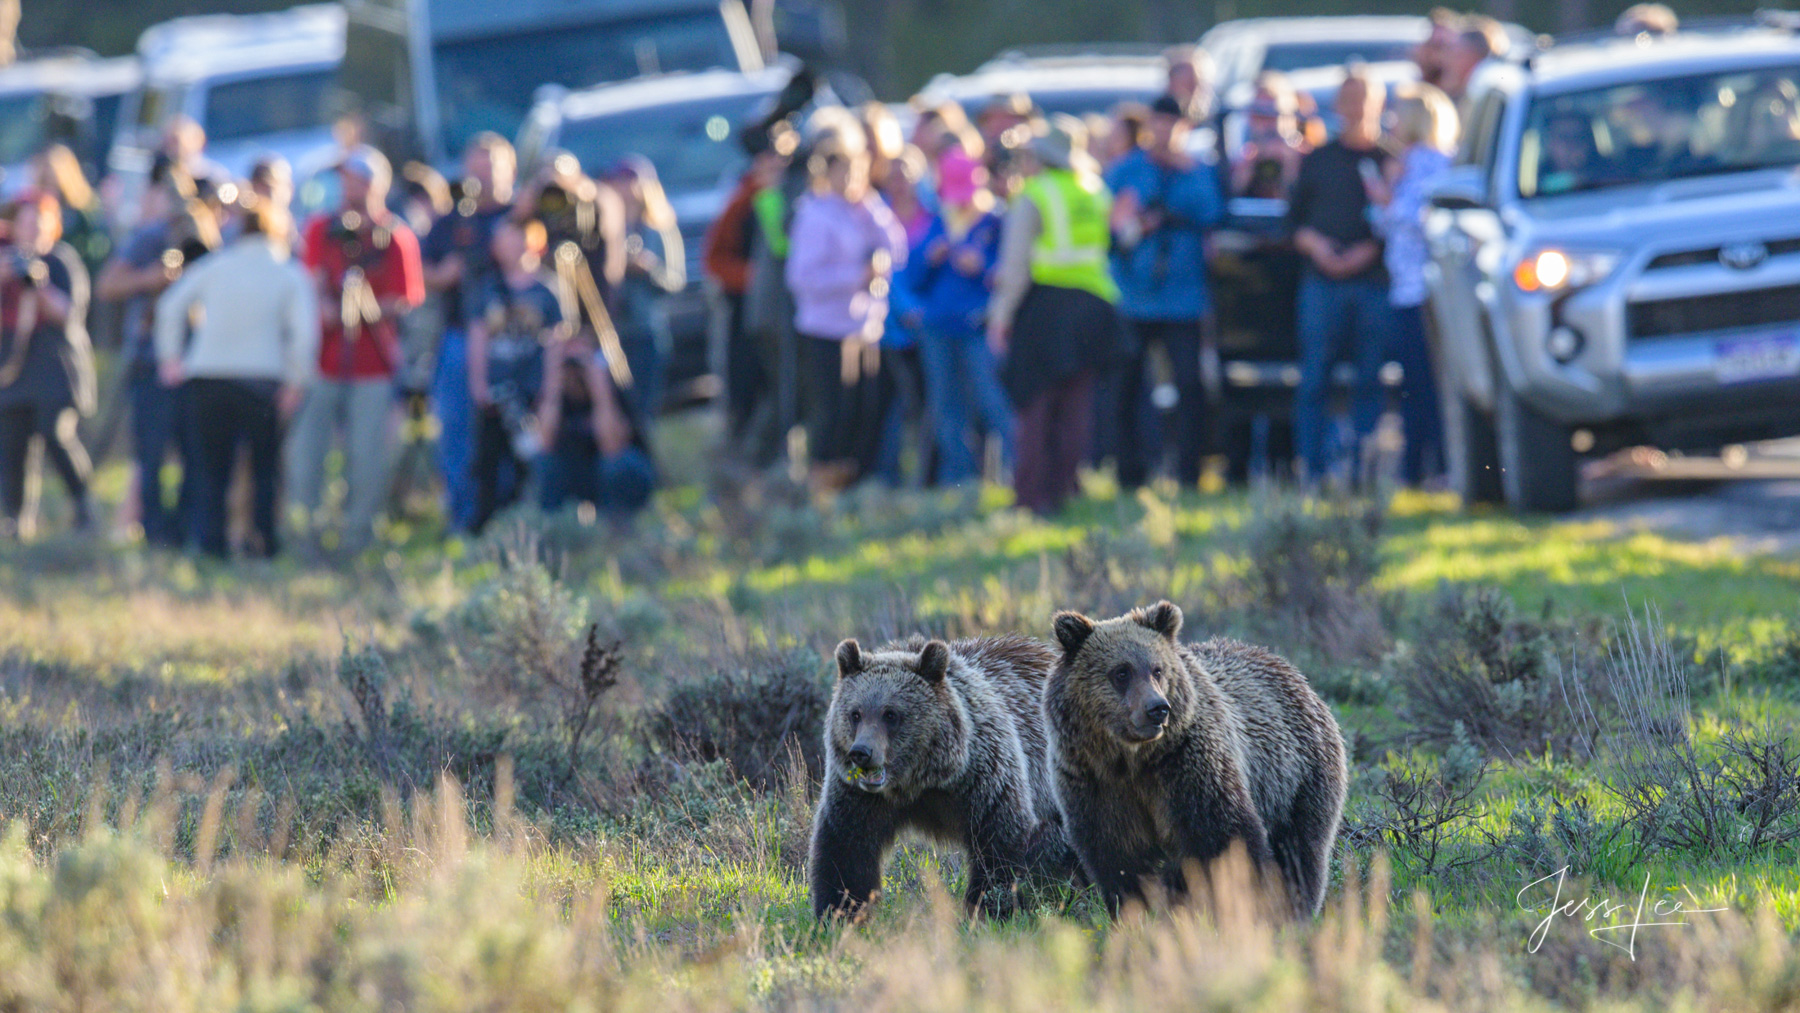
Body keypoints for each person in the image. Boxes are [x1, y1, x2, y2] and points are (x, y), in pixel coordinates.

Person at [154, 199, 317, 558]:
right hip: (263, 382)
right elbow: (304, 335)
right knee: (265, 469)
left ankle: (211, 544)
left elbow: (169, 307)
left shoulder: (215, 266)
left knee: (212, 469)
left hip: (208, 378)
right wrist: (296, 380)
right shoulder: (290, 273)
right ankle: (263, 544)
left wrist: (171, 360)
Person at [291, 146, 424, 555]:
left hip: (373, 365)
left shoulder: (394, 237)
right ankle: (305, 539)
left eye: (359, 179)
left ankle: (357, 540)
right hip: (323, 362)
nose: (351, 187)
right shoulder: (320, 229)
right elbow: (309, 283)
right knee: (305, 457)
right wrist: (327, 307)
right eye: (346, 179)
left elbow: (407, 298)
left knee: (367, 458)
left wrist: (365, 306)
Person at [988, 116, 1122, 515]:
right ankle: (1065, 489)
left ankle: (1030, 496)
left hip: (1047, 308)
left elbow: (1015, 268)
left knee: (1034, 404)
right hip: (1095, 306)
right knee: (1075, 407)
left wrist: (1000, 317)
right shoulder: (1095, 191)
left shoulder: (1036, 194)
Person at [1105, 92, 1225, 491]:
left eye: (1172, 124)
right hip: (1134, 296)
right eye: (1157, 123)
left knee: (1190, 386)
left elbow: (1212, 212)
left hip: (1183, 298)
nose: (1163, 131)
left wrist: (1175, 202)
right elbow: (1108, 223)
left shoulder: (1198, 171)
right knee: (1127, 388)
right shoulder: (1127, 170)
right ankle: (1130, 474)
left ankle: (1190, 473)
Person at [784, 118, 908, 491]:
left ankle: (857, 485)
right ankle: (824, 487)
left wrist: (870, 203)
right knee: (833, 413)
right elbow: (802, 278)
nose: (852, 177)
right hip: (825, 328)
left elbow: (896, 247)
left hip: (863, 326)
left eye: (858, 169)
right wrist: (856, 275)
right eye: (845, 170)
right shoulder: (814, 213)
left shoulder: (862, 209)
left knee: (864, 410)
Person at [96, 175, 216, 546]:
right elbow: (107, 286)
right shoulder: (149, 239)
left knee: (196, 456)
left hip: (200, 365)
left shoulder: (212, 239)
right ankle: (154, 533)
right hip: (150, 363)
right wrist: (151, 279)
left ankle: (185, 531)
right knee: (151, 453)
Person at [1287, 67, 1392, 485]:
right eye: (1347, 100)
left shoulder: (1388, 161)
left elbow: (1400, 223)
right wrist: (1316, 246)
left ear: (1378, 104)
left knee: (1370, 378)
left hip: (1372, 282)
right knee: (1314, 378)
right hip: (1322, 283)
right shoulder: (1319, 160)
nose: (1354, 109)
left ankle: (1363, 471)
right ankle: (1311, 470)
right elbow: (1291, 223)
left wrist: (1370, 249)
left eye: (1362, 99)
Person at [902, 145, 1011, 486]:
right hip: (937, 327)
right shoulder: (937, 222)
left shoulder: (995, 222)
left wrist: (982, 268)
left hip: (978, 325)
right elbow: (912, 277)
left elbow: (1007, 273)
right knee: (946, 406)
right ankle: (960, 479)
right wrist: (930, 258)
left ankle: (1012, 472)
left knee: (992, 400)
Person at [423, 133, 516, 532]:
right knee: (457, 429)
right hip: (461, 333)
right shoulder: (453, 221)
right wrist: (446, 274)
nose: (483, 178)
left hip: (514, 339)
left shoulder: (520, 218)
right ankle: (462, 515)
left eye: (491, 168)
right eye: (475, 169)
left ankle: (512, 513)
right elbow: (425, 270)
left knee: (515, 428)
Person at [1368, 83, 1458, 487]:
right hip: (1406, 288)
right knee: (1416, 382)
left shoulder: (1431, 164)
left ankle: (1431, 465)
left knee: (1425, 383)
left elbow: (1417, 219)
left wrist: (1386, 200)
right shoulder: (1409, 165)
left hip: (1423, 290)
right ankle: (1421, 465)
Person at [0, 191, 95, 537]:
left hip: (56, 367)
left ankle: (84, 507)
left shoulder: (61, 260)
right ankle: (15, 521)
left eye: (39, 222)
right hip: (12, 368)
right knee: (11, 445)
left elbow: (70, 314)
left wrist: (39, 285)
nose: (33, 229)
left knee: (56, 434)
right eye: (25, 222)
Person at [467, 217, 565, 531]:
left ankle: (533, 523)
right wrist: (478, 383)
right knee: (488, 462)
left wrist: (551, 392)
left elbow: (556, 342)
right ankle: (486, 525)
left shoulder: (547, 289)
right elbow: (478, 336)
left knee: (530, 461)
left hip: (530, 390)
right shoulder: (488, 287)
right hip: (496, 391)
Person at [705, 144, 786, 456]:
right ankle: (744, 457)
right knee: (745, 387)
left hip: (789, 313)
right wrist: (755, 279)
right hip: (745, 314)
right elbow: (715, 259)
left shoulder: (797, 194)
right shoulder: (742, 201)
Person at [534, 329, 654, 519]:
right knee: (546, 464)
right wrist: (552, 380)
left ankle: (618, 526)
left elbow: (612, 448)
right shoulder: (554, 394)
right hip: (578, 474)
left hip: (617, 474)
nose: (573, 362)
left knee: (615, 466)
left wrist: (599, 385)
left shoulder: (614, 386)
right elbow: (544, 443)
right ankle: (554, 528)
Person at [607, 156, 684, 422]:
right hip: (611, 332)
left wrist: (648, 269)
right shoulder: (604, 229)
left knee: (643, 410)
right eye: (620, 182)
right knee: (616, 409)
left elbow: (675, 282)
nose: (626, 189)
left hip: (645, 331)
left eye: (632, 182)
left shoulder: (660, 229)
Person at [33, 144, 110, 277]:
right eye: (44, 182)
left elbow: (98, 253)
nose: (49, 190)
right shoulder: (31, 210)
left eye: (53, 182)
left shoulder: (83, 214)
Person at [1231, 72, 1309, 199]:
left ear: (1290, 116)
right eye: (1259, 114)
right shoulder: (1245, 157)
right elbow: (1231, 202)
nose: (1265, 123)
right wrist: (1244, 174)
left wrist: (1290, 167)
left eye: (1273, 113)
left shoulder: (1307, 158)